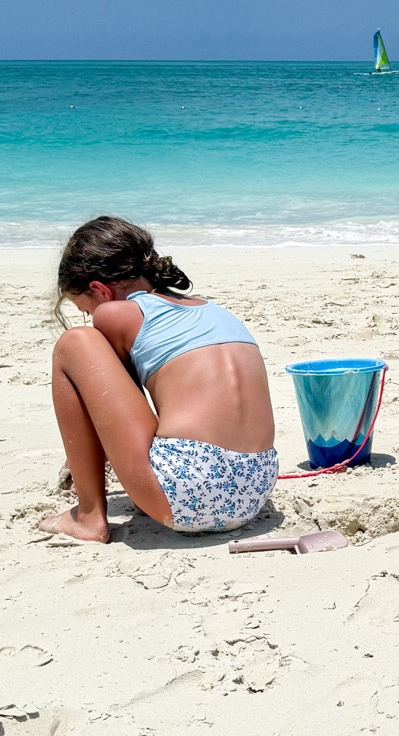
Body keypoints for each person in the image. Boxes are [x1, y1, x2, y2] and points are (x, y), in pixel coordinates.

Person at [41, 216, 278, 541]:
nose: (90, 317)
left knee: (74, 343)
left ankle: (88, 516)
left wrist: (78, 461)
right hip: (257, 488)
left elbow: (113, 413)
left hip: (188, 496)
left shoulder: (115, 314)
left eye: (86, 308)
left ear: (99, 289)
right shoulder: (215, 311)